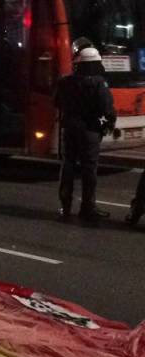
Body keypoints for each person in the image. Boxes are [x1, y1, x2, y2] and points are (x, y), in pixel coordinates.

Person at [55, 45, 116, 224]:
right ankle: (88, 208)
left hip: (69, 129)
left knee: (68, 166)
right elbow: (107, 108)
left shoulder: (65, 81)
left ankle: (65, 206)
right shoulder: (98, 82)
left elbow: (56, 102)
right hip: (89, 130)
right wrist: (109, 124)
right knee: (89, 169)